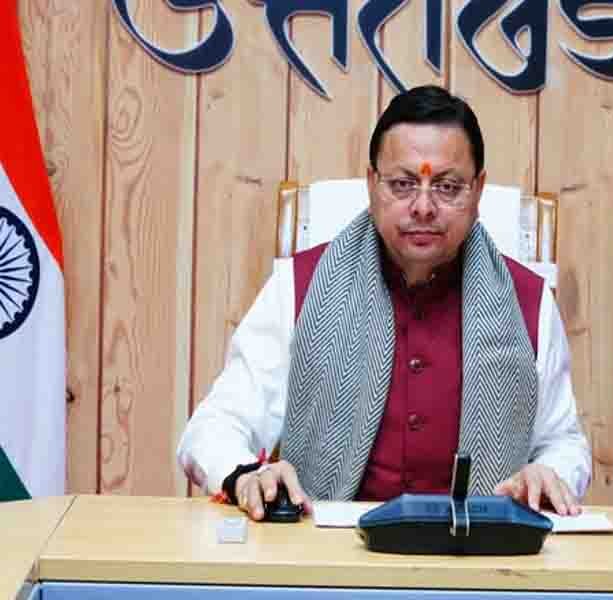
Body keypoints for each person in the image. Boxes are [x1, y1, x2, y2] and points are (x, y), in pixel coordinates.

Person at [178, 85, 591, 521]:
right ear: (372, 185)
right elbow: (215, 426)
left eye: (448, 187)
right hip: (328, 551)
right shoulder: (300, 287)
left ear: (478, 191)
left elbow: (563, 442)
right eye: (403, 184)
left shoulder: (527, 301)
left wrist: (549, 472)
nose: (424, 207)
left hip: (483, 550)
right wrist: (246, 476)